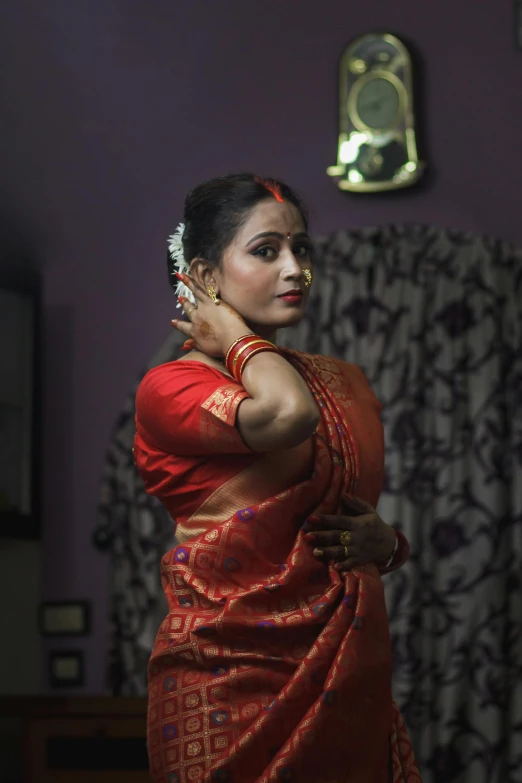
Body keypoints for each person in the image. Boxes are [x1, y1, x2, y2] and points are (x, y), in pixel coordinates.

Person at [133, 173, 421, 783]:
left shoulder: (343, 382)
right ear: (206, 278)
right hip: (225, 686)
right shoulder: (173, 387)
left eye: (302, 248)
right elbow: (288, 416)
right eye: (266, 251)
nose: (295, 269)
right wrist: (234, 336)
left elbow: (343, 522)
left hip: (346, 681)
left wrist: (387, 546)